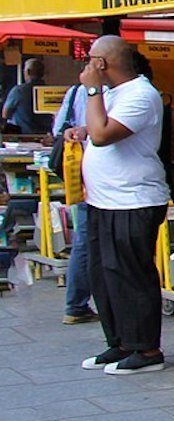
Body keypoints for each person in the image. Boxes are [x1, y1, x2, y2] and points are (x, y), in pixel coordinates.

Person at [68, 36, 170, 374]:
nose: (84, 68)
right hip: (102, 200)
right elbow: (95, 129)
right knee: (104, 275)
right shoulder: (114, 94)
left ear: (101, 64)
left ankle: (147, 349)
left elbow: (103, 134)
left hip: (133, 200)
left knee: (131, 275)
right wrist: (83, 127)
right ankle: (121, 342)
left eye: (90, 61)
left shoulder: (141, 94)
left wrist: (93, 92)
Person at [47, 81, 95, 325]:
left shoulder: (75, 91)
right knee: (86, 239)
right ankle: (76, 305)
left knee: (84, 238)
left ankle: (76, 304)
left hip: (79, 172)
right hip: (93, 174)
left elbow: (58, 128)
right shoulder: (102, 90)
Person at [4, 57, 48, 134]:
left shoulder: (19, 90)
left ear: (28, 71)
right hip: (44, 135)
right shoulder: (49, 90)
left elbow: (5, 114)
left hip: (22, 135)